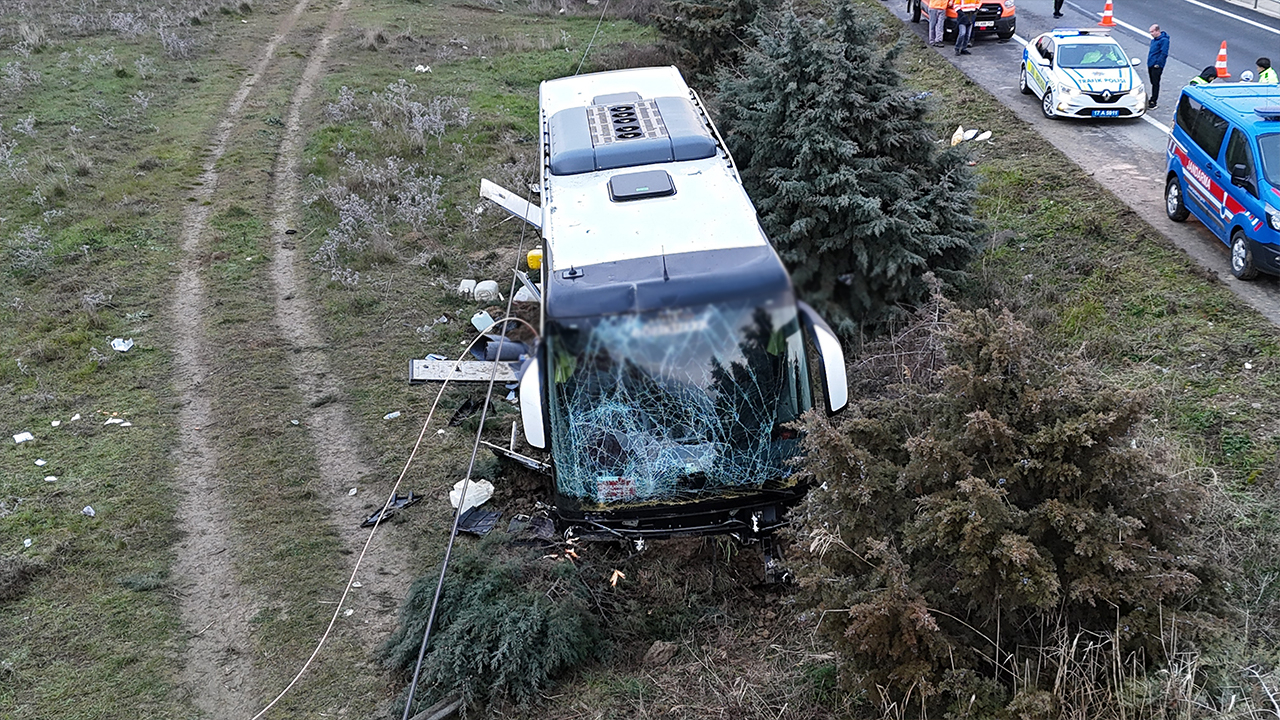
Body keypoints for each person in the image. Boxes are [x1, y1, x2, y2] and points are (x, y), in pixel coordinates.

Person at [1147, 24, 1169, 109]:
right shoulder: (1154, 40)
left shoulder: (1164, 40)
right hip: (1151, 64)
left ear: (1157, 31)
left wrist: (1158, 64)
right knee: (1153, 82)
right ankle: (1152, 98)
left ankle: (1153, 101)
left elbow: (1164, 53)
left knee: (1155, 83)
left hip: (1156, 66)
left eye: (1152, 32)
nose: (1151, 33)